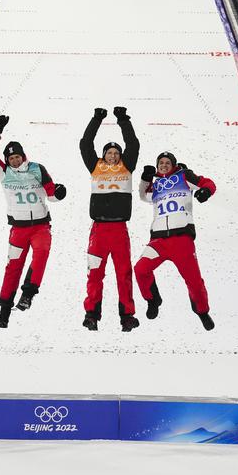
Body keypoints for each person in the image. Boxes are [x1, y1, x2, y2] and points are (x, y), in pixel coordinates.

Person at [0, 115, 66, 328]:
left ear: (23, 156)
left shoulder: (37, 169)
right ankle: (4, 311)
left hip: (40, 226)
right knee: (13, 268)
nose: (15, 161)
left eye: (17, 157)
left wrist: (59, 193)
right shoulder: (3, 173)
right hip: (18, 229)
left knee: (41, 254)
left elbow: (50, 193)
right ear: (7, 160)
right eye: (11, 158)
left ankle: (28, 294)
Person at [134, 152, 217, 330]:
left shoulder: (184, 176)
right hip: (158, 240)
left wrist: (205, 191)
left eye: (167, 162)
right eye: (160, 163)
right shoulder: (155, 185)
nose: (163, 165)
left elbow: (207, 182)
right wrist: (145, 179)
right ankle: (153, 300)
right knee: (140, 269)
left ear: (174, 164)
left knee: (194, 281)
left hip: (181, 240)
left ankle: (202, 311)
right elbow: (143, 195)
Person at [79, 107, 140, 332]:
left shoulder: (127, 166)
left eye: (116, 153)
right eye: (109, 153)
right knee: (95, 272)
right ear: (103, 155)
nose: (113, 156)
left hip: (119, 229)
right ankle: (91, 314)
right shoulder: (96, 166)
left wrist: (123, 120)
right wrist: (97, 119)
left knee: (123, 273)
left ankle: (127, 316)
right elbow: (85, 143)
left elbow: (133, 144)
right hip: (99, 230)